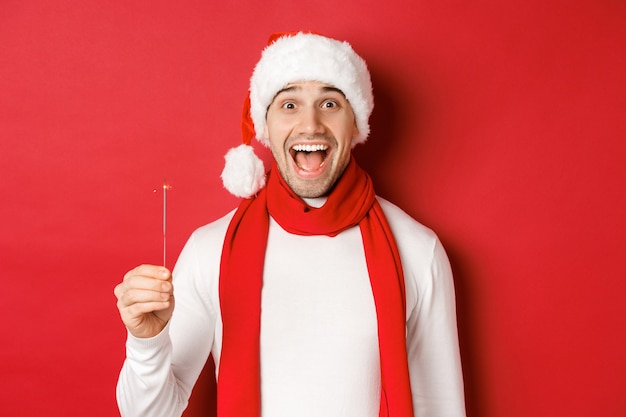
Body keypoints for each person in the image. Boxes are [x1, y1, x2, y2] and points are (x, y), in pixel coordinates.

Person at [114, 32, 466, 417]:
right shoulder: (209, 250)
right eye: (289, 104)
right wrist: (146, 342)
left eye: (330, 103)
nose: (310, 125)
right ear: (266, 125)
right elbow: (146, 413)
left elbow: (441, 407)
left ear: (356, 123)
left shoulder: (417, 250)